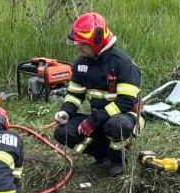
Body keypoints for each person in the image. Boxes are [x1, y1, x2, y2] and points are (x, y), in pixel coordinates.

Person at [52, 12, 142, 176]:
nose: (79, 47)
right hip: (98, 118)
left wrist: (96, 119)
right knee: (63, 132)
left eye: (83, 44)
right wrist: (66, 111)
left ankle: (118, 158)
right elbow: (74, 94)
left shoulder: (122, 64)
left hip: (125, 116)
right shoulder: (81, 64)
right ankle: (102, 154)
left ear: (98, 42)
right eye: (78, 43)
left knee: (116, 125)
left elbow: (126, 102)